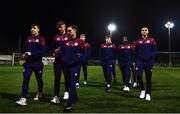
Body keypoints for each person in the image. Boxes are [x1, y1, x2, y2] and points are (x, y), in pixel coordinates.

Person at [16, 24, 46, 106]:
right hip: (28, 64)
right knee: (25, 79)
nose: (32, 29)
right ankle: (23, 98)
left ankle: (40, 92)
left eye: (34, 28)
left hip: (37, 64)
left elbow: (43, 50)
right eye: (31, 28)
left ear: (38, 29)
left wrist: (31, 53)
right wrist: (22, 53)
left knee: (39, 80)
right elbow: (24, 48)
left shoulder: (41, 39)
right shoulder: (28, 38)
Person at [61, 25, 85, 112]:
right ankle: (75, 97)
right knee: (69, 83)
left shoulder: (80, 41)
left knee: (71, 84)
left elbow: (83, 53)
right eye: (67, 31)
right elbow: (62, 52)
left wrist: (78, 59)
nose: (67, 32)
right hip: (66, 65)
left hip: (75, 66)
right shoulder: (66, 42)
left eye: (69, 31)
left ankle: (69, 104)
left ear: (74, 31)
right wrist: (64, 59)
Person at [134, 26, 157, 101]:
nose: (144, 31)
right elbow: (135, 52)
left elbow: (155, 50)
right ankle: (143, 90)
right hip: (139, 61)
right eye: (142, 30)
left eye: (145, 30)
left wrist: (150, 57)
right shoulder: (138, 41)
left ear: (148, 31)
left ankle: (148, 93)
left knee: (148, 78)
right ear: (141, 32)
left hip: (149, 62)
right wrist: (136, 61)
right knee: (139, 76)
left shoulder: (152, 40)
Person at [50, 21, 69, 104]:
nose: (60, 29)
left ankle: (66, 91)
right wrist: (55, 50)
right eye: (59, 27)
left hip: (66, 60)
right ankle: (56, 97)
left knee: (67, 77)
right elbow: (53, 48)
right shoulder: (56, 37)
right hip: (57, 60)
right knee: (57, 79)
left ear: (65, 27)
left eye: (61, 27)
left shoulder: (69, 36)